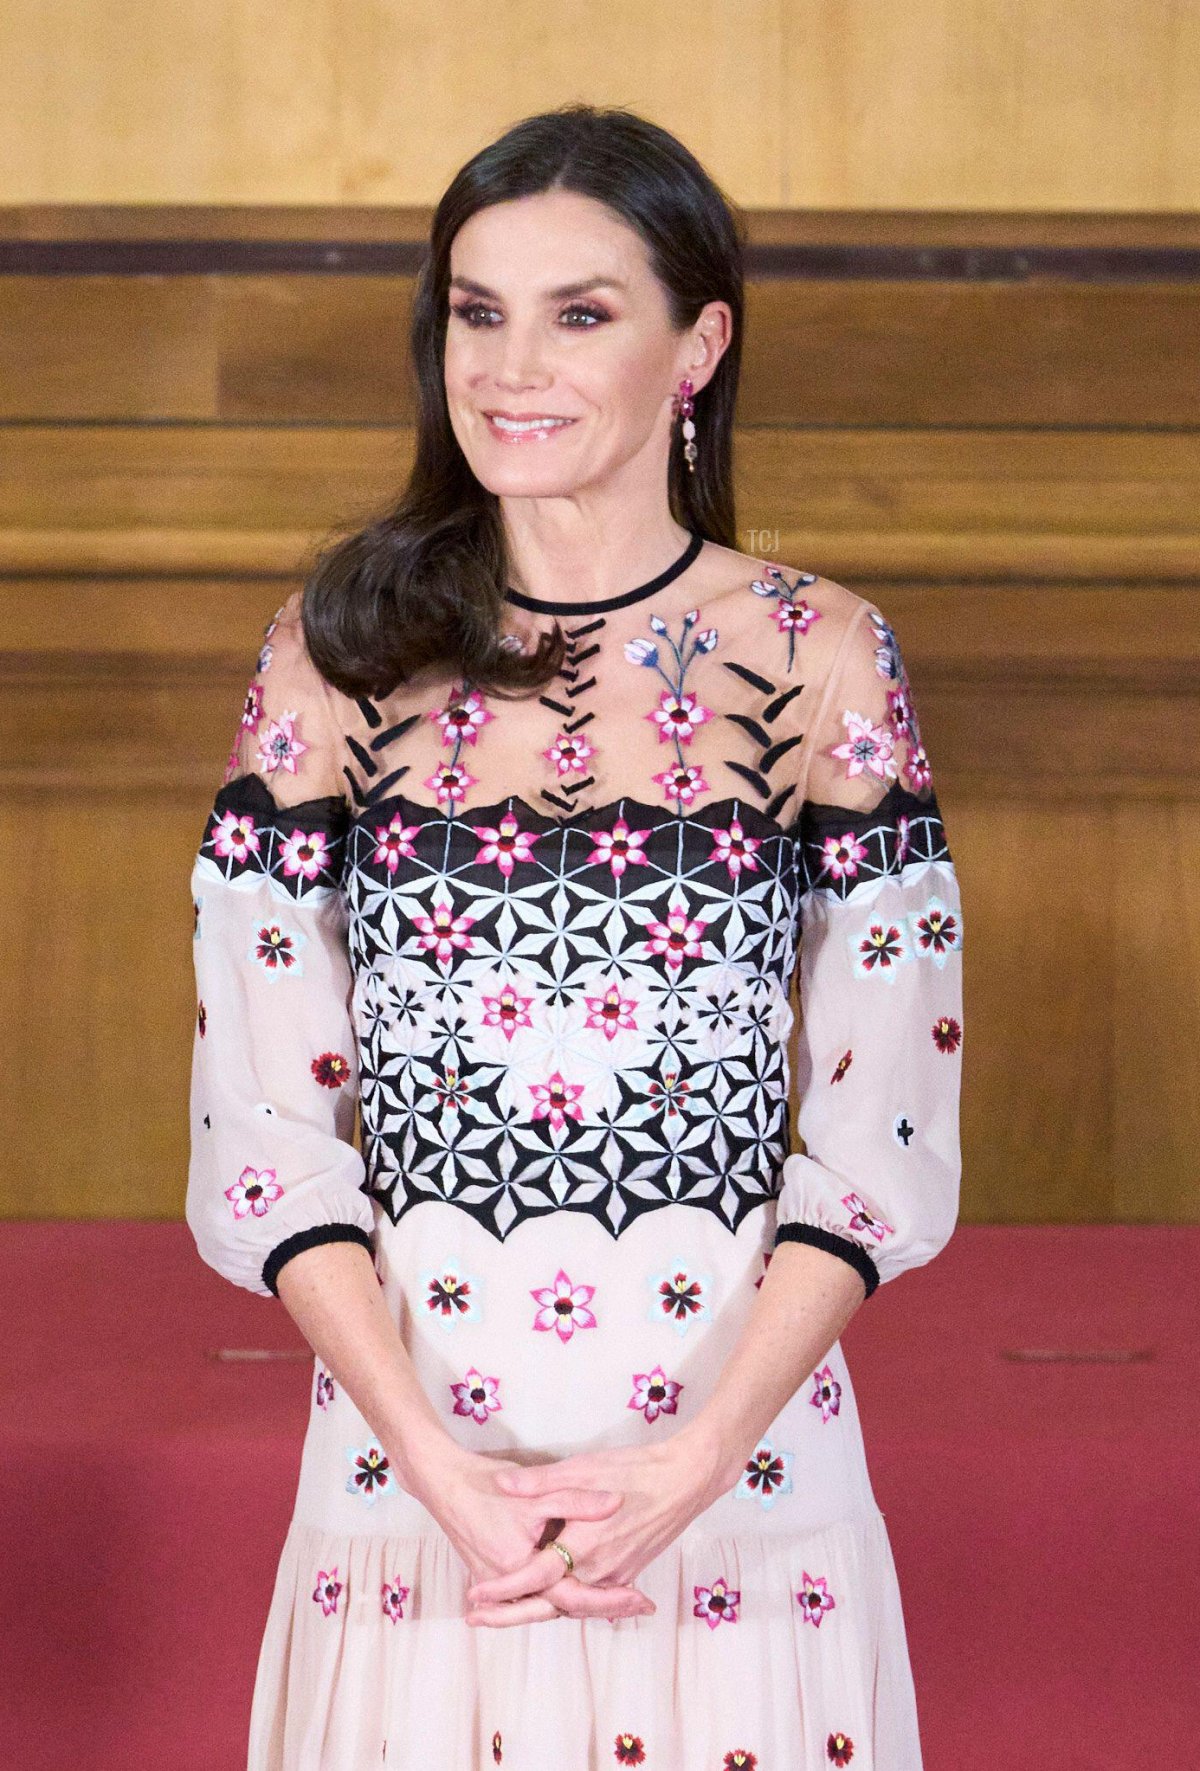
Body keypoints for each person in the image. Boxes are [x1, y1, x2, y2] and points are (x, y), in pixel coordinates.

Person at [187, 103, 963, 1770]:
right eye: (477, 313)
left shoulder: (822, 654)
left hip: (738, 1492)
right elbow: (264, 1139)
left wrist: (689, 1466)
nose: (510, 366)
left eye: (581, 313)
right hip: (412, 1502)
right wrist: (440, 1474)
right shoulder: (333, 657)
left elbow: (878, 1134)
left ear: (702, 346)